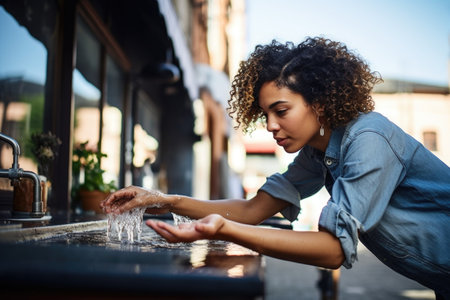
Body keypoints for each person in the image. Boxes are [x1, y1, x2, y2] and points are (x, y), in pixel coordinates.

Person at [101, 37, 450, 299]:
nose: (269, 126)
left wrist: (224, 230)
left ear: (320, 103)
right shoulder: (319, 151)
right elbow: (253, 209)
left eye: (281, 111)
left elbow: (333, 249)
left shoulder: (368, 138)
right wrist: (163, 200)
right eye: (265, 114)